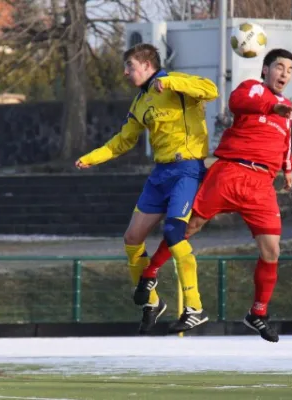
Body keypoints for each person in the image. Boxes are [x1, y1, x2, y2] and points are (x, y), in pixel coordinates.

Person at [134, 48, 292, 343]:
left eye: (289, 69)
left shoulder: (288, 108)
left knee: (272, 251)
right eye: (279, 67)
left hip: (261, 184)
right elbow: (237, 102)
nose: (284, 73)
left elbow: (285, 141)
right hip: (230, 172)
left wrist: (287, 168)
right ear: (265, 70)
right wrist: (270, 108)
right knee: (188, 226)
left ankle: (258, 313)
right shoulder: (253, 89)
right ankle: (151, 273)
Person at [75, 43, 218, 335]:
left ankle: (195, 307)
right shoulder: (140, 102)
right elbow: (123, 141)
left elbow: (211, 89)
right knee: (131, 238)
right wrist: (91, 158)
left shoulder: (176, 84)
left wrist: (171, 81)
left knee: (174, 232)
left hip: (187, 169)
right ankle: (152, 302)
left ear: (147, 65)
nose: (126, 72)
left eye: (130, 66)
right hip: (160, 174)